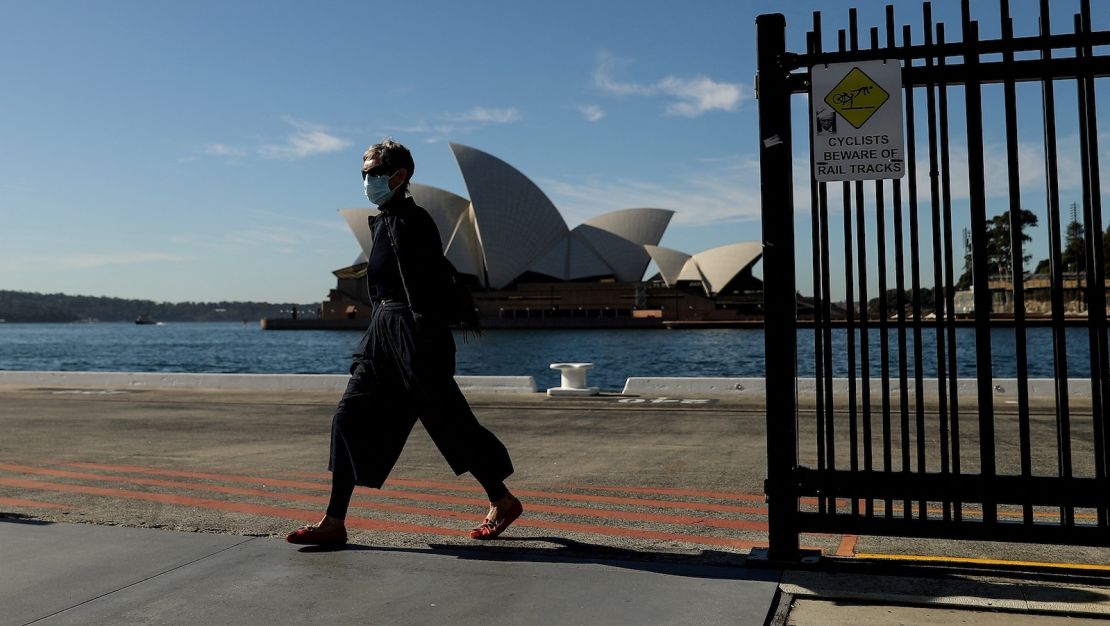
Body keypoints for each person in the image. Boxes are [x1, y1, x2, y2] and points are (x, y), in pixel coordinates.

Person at [286, 139, 521, 546]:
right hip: (382, 335)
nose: (366, 181)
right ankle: (334, 520)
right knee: (348, 416)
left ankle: (502, 500)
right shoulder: (383, 222)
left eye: (373, 173)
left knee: (450, 423)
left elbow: (424, 289)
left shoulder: (413, 222)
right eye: (363, 174)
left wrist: (422, 344)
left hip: (414, 336)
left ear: (399, 176)